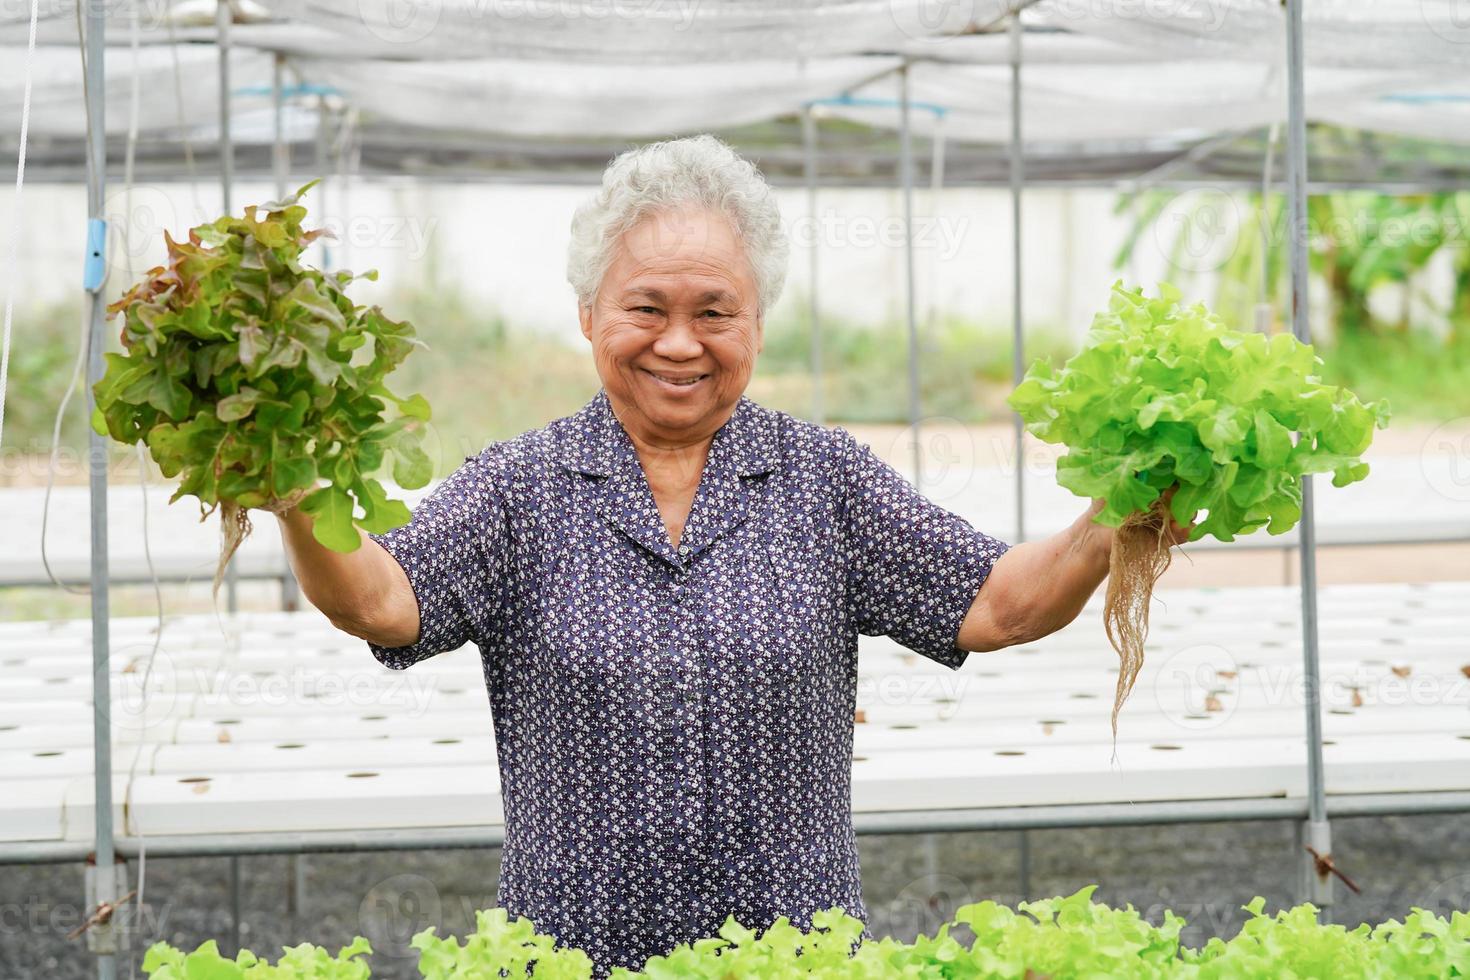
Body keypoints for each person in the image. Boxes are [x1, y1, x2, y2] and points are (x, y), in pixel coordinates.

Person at [276, 134, 1193, 975]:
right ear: (590, 314)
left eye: (716, 311)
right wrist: (293, 490)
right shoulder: (522, 485)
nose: (681, 342)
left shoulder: (822, 478)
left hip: (792, 953)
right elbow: (384, 601)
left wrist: (1109, 524)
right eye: (646, 307)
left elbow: (996, 604)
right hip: (572, 952)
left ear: (757, 323)